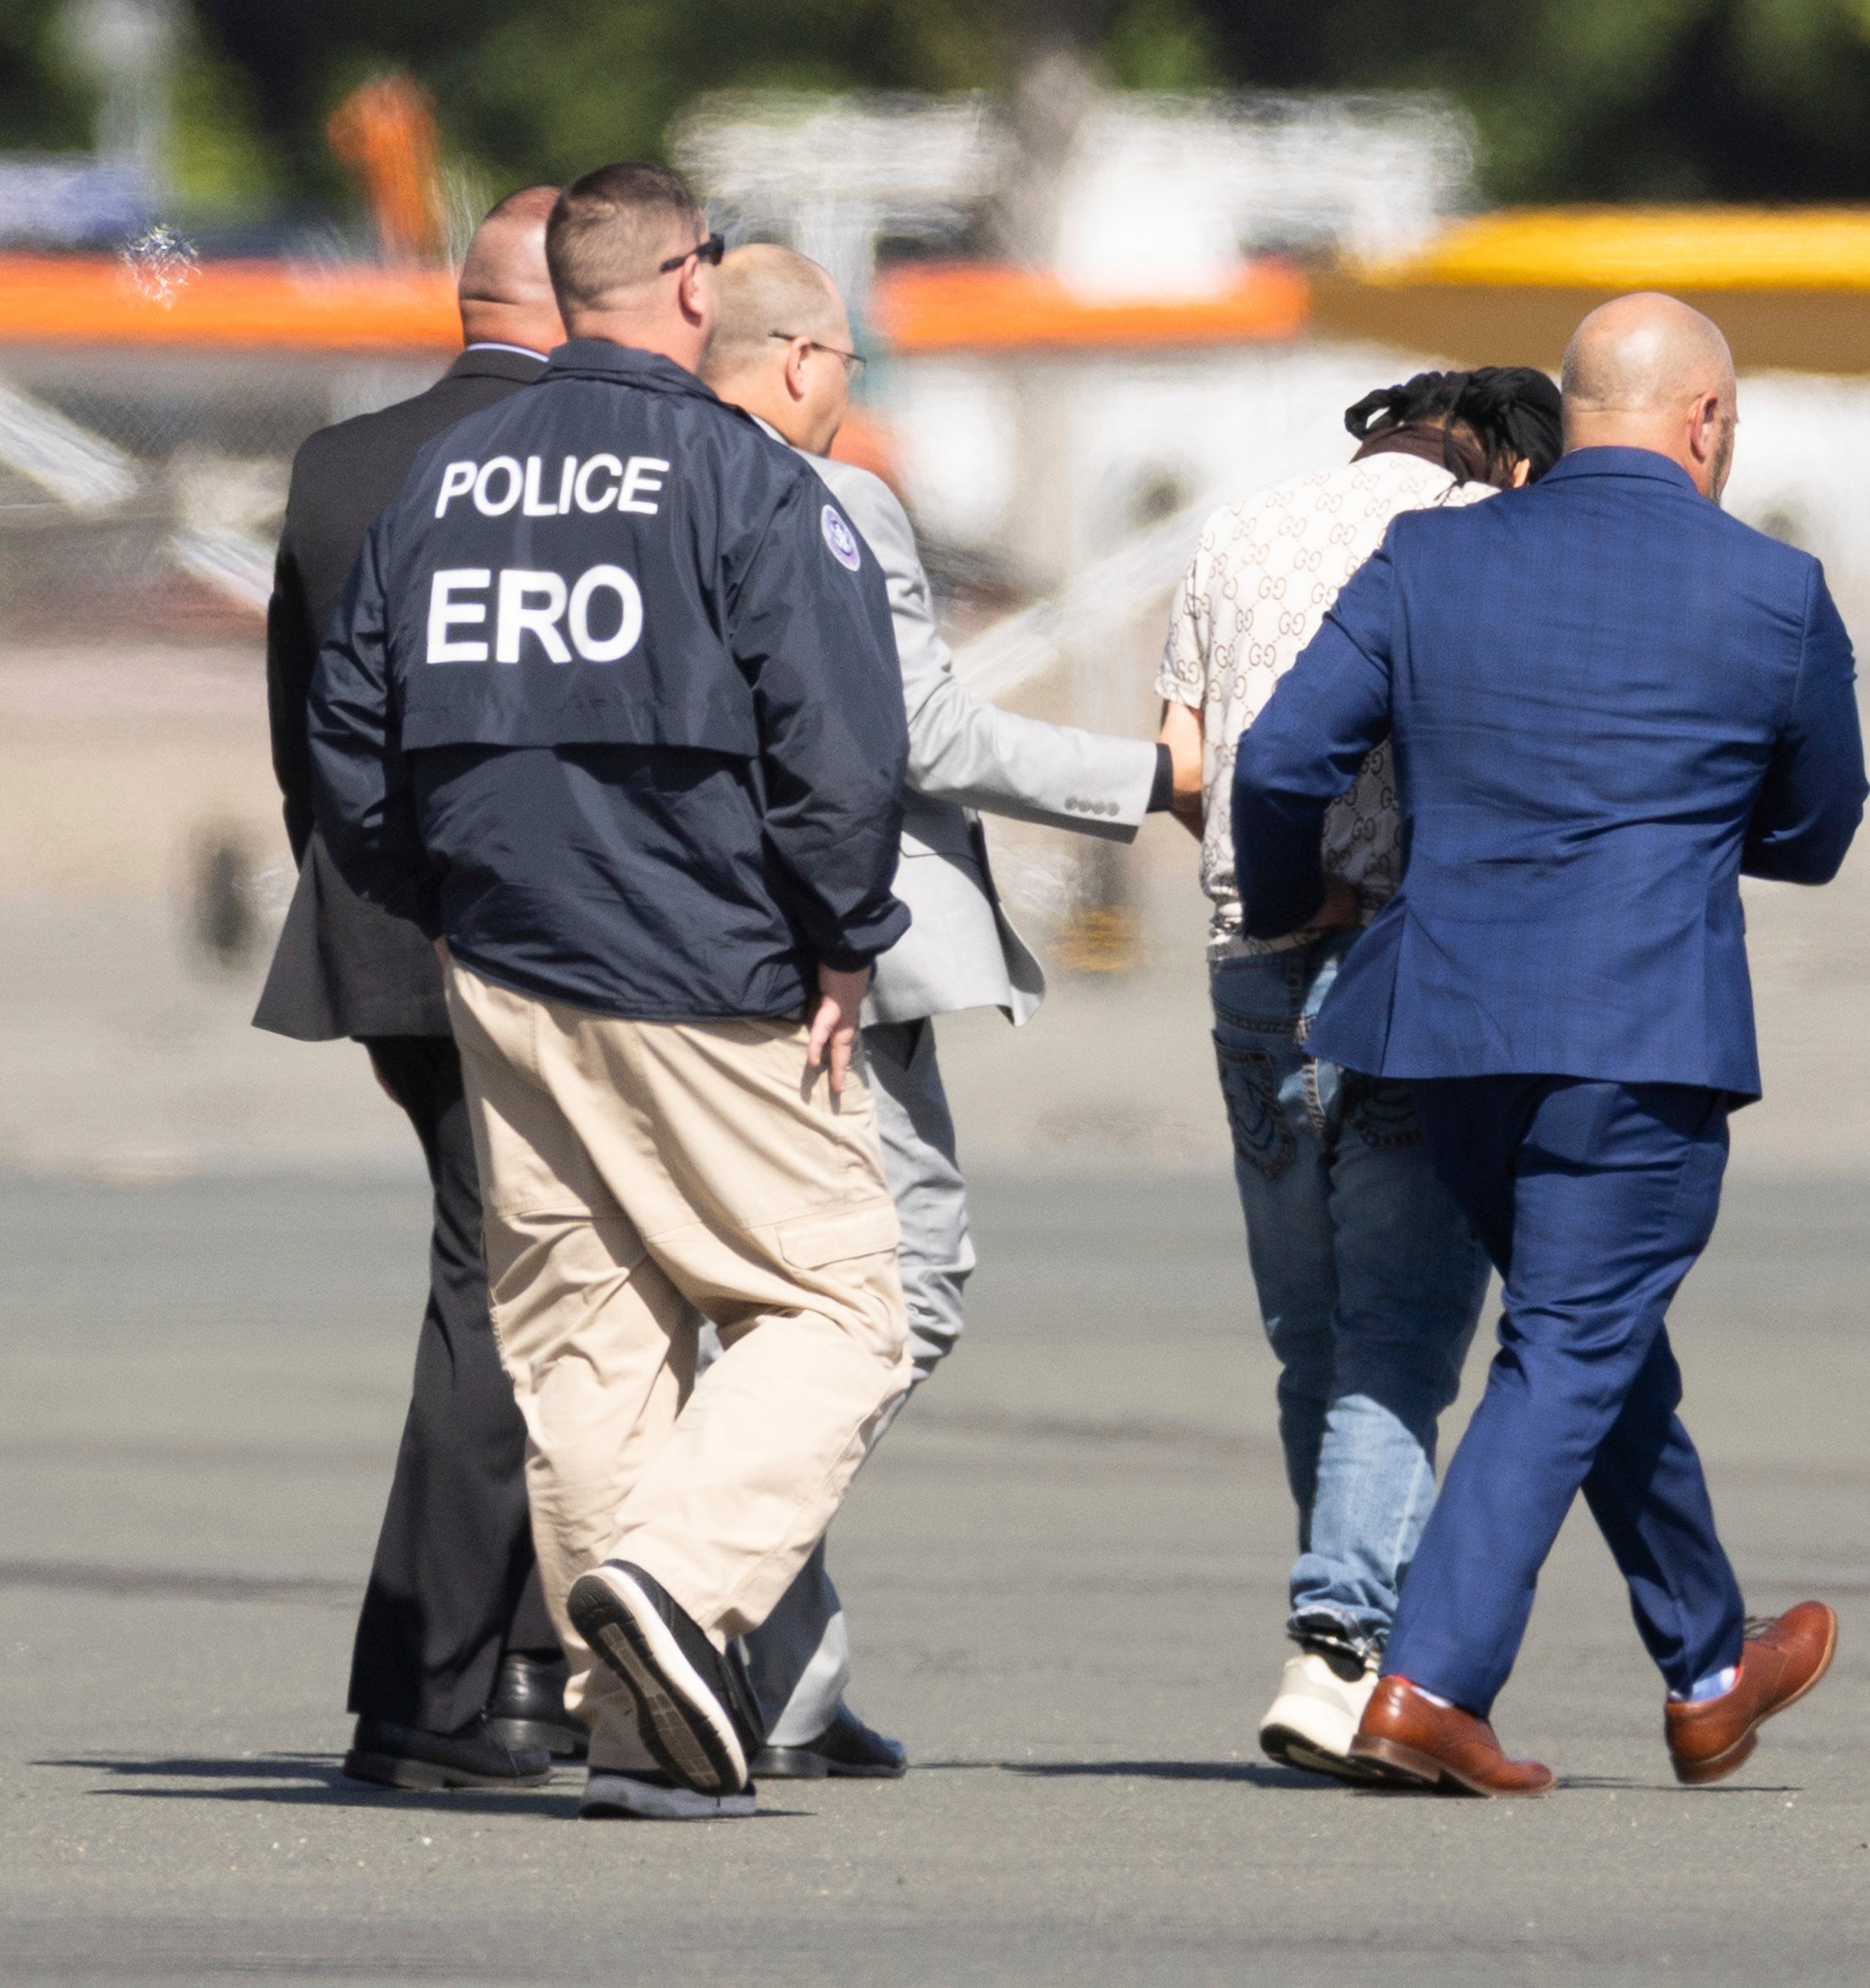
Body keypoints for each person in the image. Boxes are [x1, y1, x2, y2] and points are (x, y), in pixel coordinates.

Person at [310, 162, 914, 1822]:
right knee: (847, 1304)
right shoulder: (742, 475)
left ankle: (643, 1725)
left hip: (504, 961)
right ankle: (674, 1581)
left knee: (587, 1339)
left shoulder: (447, 478)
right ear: (694, 281)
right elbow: (841, 744)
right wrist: (843, 929)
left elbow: (348, 731)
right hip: (707, 963)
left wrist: (437, 900)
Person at [1230, 296, 1866, 1797]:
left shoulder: (1427, 555)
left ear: (1576, 411)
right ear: (1704, 419)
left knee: (1588, 1333)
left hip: (1444, 1029)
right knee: (1572, 1338)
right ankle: (1428, 1683)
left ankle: (1711, 1661)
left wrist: (1281, 898)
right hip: (1640, 1032)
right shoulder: (1773, 590)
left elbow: (1276, 756)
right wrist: (1697, 833)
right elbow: (1817, 827)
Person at [699, 245, 1190, 1777]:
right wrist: (1149, 780)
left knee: (747, 1293)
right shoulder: (833, 502)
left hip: (665, 952)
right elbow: (919, 729)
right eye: (850, 360)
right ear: (794, 361)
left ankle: (787, 1665)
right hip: (833, 966)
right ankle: (696, 1566)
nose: (855, 391)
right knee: (902, 1285)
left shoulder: (651, 487)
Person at [1154, 366, 1563, 1780]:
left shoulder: (1238, 531)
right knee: (1396, 1339)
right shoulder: (1474, 540)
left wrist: (1268, 883)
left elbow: (1184, 759)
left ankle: (1346, 1635)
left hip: (1243, 972)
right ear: (1509, 458)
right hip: (1403, 973)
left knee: (1310, 1338)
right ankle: (1338, 1641)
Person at [251, 184, 582, 1793]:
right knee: (509, 1291)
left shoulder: (338, 465)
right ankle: (454, 1685)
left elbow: (297, 727)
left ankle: (482, 1671)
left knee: (500, 1276)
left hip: (377, 931)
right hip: (547, 935)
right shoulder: (594, 468)